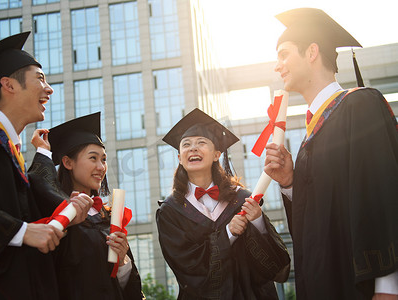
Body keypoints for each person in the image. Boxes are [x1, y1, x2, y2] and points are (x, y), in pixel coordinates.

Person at [264, 8, 398, 299]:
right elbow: (317, 225)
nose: (278, 66)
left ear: (312, 52)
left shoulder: (359, 105)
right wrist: (289, 184)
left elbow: (382, 197)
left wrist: (388, 288)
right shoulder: (312, 133)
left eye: (284, 54)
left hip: (359, 288)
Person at [0, 32, 92, 299]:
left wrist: (64, 212)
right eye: (40, 78)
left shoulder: (12, 153)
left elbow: (31, 227)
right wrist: (21, 231)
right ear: (9, 85)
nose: (49, 88)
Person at [156, 108, 290, 300]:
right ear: (180, 158)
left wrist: (258, 221)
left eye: (201, 142)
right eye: (186, 145)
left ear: (217, 154)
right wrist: (229, 234)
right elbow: (187, 269)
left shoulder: (242, 199)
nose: (193, 148)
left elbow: (277, 266)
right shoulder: (170, 211)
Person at [31, 112, 144, 300]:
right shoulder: (58, 214)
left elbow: (126, 290)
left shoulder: (108, 216)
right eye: (93, 158)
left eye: (104, 159)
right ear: (67, 162)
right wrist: (43, 152)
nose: (101, 167)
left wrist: (123, 261)